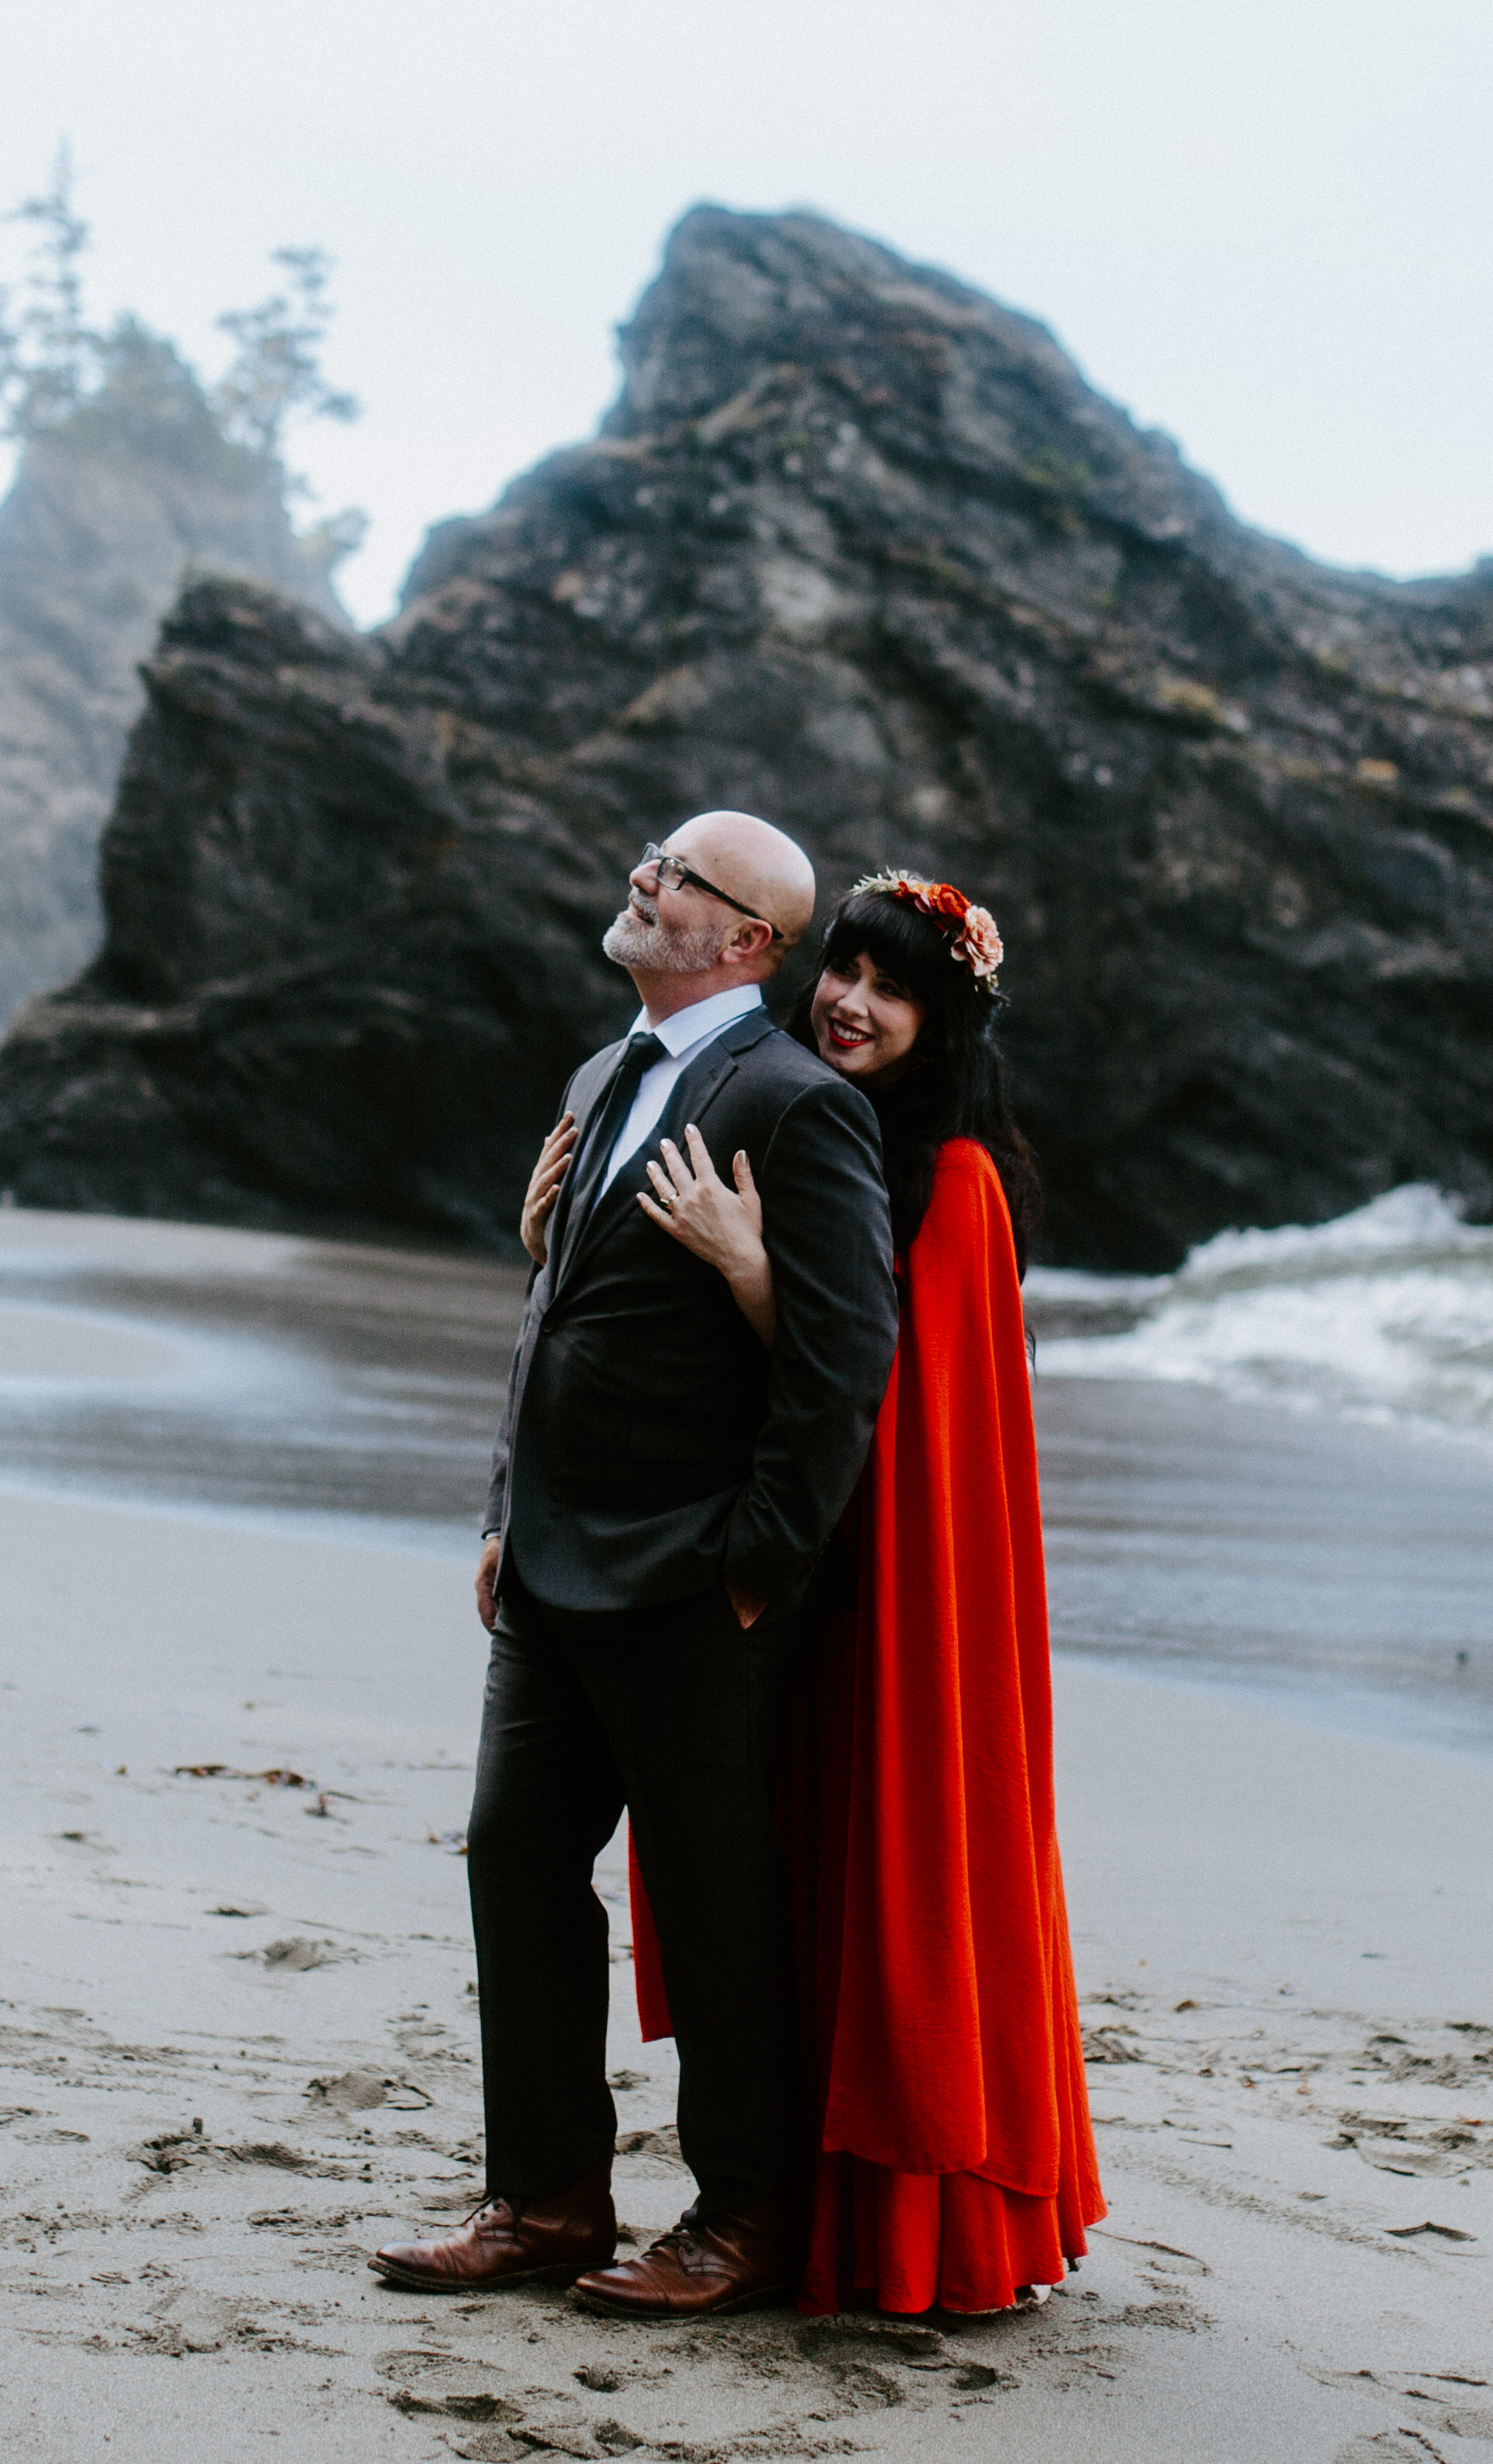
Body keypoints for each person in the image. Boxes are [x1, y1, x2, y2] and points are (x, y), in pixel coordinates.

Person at [366, 811, 902, 2320]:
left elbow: (845, 1361)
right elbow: (553, 1311)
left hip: (693, 1582)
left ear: (746, 941)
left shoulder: (799, 1106)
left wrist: (755, 1566)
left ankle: (744, 2220)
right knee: (518, 1864)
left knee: (718, 1903)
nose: (642, 881)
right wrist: (502, 1508)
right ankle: (544, 2201)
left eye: (676, 877)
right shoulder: (604, 1075)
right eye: (652, 860)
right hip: (549, 1566)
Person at [628, 867, 1103, 2319]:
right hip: (789, 1559)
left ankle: (897, 2223)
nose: (852, 1004)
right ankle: (770, 2196)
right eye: (845, 969)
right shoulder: (803, 1123)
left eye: (896, 991)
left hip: (893, 1584)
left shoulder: (955, 1182)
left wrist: (751, 1270)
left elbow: (892, 1400)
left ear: (942, 1025)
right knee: (770, 1881)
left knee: (887, 1873)